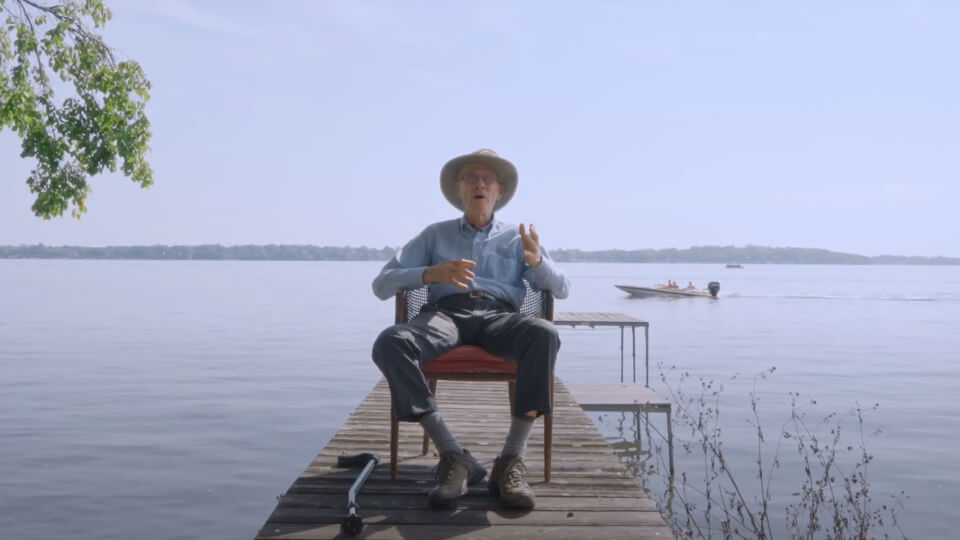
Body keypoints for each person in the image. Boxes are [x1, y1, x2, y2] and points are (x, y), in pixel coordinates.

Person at [371, 149, 570, 510]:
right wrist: (431, 273)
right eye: (470, 178)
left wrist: (536, 261)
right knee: (391, 342)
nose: (479, 184)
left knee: (546, 334)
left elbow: (562, 288)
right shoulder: (434, 235)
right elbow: (382, 284)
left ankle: (510, 460)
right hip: (446, 315)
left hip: (499, 317)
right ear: (458, 190)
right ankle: (452, 454)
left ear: (499, 190)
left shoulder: (518, 236)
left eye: (487, 179)